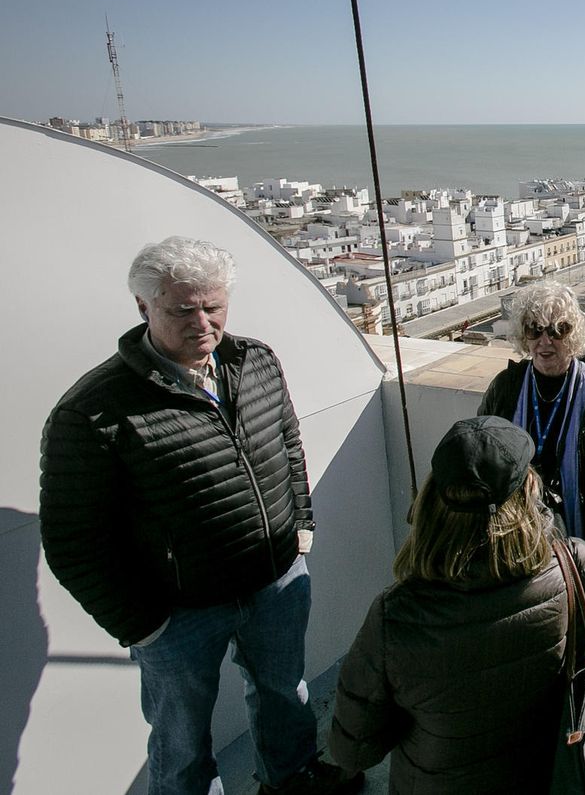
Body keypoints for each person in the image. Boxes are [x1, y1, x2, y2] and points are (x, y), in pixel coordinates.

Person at [38, 236, 356, 795]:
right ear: (144, 308)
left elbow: (288, 442)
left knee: (285, 694)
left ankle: (292, 780)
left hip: (275, 581)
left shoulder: (255, 361)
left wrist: (300, 524)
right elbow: (72, 539)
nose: (203, 322)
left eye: (213, 306)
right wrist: (144, 624)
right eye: (183, 309)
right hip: (178, 613)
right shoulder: (93, 411)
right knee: (182, 743)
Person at [328, 416, 585, 793]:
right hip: (551, 777)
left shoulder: (396, 616)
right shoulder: (576, 568)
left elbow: (352, 752)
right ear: (525, 498)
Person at [478, 280, 585, 608]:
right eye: (535, 329)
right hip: (520, 553)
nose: (545, 341)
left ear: (575, 333)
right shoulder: (505, 389)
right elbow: (483, 461)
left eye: (559, 329)